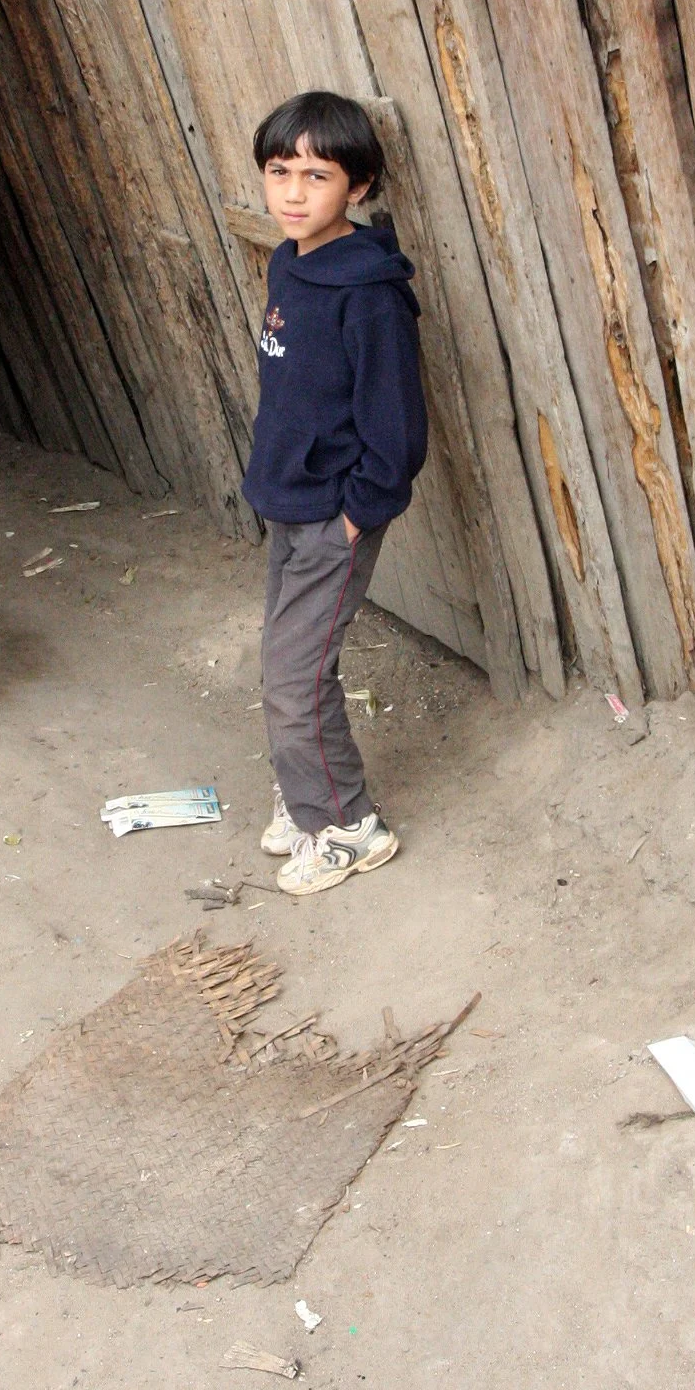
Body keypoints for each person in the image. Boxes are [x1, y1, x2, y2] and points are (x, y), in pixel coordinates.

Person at [242, 91, 427, 897]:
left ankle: (345, 824)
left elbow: (395, 424)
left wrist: (359, 513)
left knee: (295, 675)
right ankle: (305, 794)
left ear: (357, 187)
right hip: (288, 500)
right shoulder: (292, 260)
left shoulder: (370, 295)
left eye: (316, 175)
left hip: (333, 514)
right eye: (279, 171)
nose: (291, 192)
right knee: (285, 660)